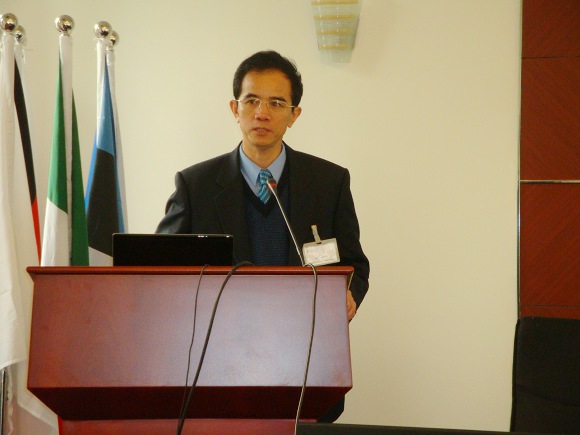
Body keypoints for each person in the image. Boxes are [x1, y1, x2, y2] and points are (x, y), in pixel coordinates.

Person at [156, 50, 369, 421]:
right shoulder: (195, 186)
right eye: (251, 100)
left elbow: (355, 266)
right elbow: (160, 272)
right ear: (234, 108)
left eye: (276, 103)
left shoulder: (328, 183)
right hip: (216, 369)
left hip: (306, 366)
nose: (262, 113)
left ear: (294, 114)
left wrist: (349, 296)